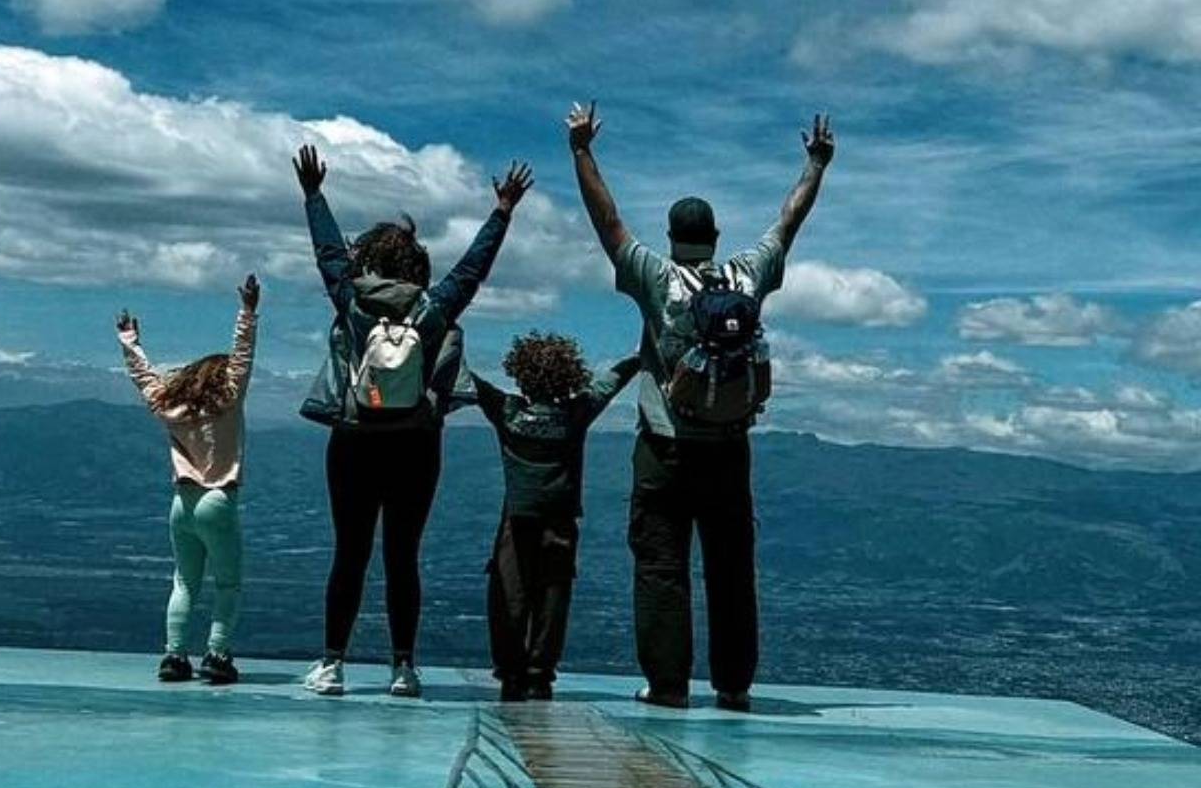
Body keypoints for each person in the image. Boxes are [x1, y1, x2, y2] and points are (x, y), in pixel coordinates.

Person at [565, 100, 834, 712]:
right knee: (732, 568)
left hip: (664, 446)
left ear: (672, 238)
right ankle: (735, 684)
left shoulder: (657, 281)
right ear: (713, 238)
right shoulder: (746, 277)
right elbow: (788, 223)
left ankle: (666, 686)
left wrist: (582, 150)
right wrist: (816, 165)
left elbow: (607, 224)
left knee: (661, 566)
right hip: (729, 448)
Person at [293, 144, 534, 698]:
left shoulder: (351, 300)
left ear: (368, 260)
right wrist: (502, 211)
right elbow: (473, 269)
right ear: (415, 266)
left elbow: (327, 251)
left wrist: (313, 195)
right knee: (404, 555)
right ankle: (403, 666)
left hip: (352, 442)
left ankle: (332, 664)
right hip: (416, 446)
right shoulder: (435, 308)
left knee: (348, 552)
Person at [469, 333, 639, 702]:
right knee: (553, 594)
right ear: (570, 374)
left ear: (521, 373)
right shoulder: (576, 412)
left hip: (515, 518)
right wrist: (640, 356)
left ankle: (509, 672)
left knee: (509, 594)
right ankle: (539, 674)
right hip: (560, 518)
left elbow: (471, 383)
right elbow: (611, 381)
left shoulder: (506, 410)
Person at [117, 274, 260, 686]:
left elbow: (145, 379)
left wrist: (130, 342)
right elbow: (243, 355)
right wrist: (248, 312)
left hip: (181, 504)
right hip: (219, 497)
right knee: (228, 583)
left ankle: (174, 657)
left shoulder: (170, 409)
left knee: (184, 581)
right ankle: (217, 654)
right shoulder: (230, 399)